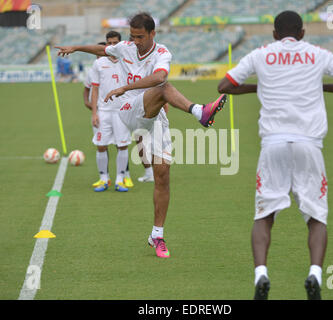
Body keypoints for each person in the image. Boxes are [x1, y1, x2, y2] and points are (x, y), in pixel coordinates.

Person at [55, 12, 227, 258]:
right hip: (128, 110)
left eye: (140, 37)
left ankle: (156, 235)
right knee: (164, 88)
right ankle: (199, 111)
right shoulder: (124, 48)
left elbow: (159, 75)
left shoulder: (162, 53)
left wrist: (126, 85)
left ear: (152, 34)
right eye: (132, 36)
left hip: (154, 116)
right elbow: (102, 50)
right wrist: (76, 48)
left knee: (163, 175)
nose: (135, 41)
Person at [218, 10, 333, 300]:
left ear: (274, 34)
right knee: (316, 216)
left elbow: (225, 86)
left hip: (273, 144)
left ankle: (261, 274)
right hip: (309, 144)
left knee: (264, 215)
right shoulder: (318, 53)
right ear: (302, 33)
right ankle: (315, 274)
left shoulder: (262, 53)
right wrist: (321, 87)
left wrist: (262, 87)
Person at [87, 32, 134, 192]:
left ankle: (120, 179)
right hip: (104, 111)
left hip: (122, 112)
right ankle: (103, 179)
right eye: (109, 43)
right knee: (101, 145)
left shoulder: (127, 61)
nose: (112, 45)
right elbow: (94, 89)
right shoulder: (99, 63)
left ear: (120, 43)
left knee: (122, 146)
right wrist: (94, 113)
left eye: (115, 42)